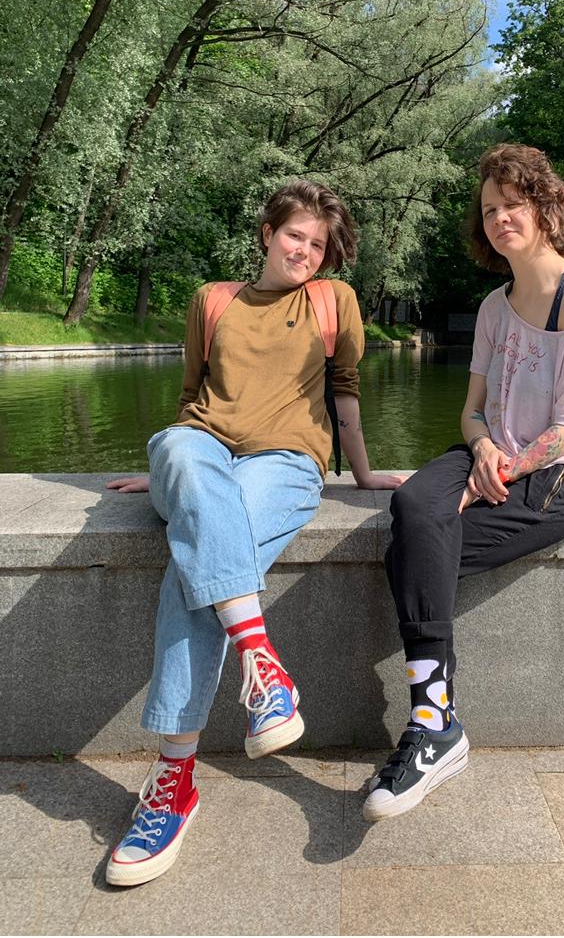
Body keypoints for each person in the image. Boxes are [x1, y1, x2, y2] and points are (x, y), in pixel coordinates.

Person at [105, 179, 402, 885]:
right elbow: (190, 397)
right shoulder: (214, 299)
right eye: (295, 235)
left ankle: (174, 783)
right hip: (201, 448)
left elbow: (347, 393)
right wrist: (173, 476)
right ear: (268, 232)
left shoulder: (335, 303)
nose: (305, 250)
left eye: (318, 243)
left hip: (287, 461)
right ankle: (262, 664)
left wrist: (361, 476)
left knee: (196, 562)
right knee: (178, 454)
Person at [364, 143, 564, 820]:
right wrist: (479, 450)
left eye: (514, 203)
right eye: (490, 209)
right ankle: (437, 722)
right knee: (416, 504)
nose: (502, 216)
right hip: (489, 454)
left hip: (561, 475)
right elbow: (473, 409)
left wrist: (501, 465)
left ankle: (432, 723)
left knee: (412, 550)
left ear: (544, 206)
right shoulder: (495, 306)